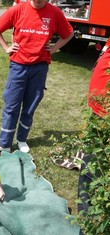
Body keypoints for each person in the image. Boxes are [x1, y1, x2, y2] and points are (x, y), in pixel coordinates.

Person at [0, 0, 74, 154]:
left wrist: (54, 48)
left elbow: (69, 33)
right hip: (18, 66)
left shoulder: (55, 12)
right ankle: (4, 143)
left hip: (40, 67)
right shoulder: (18, 9)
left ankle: (22, 139)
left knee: (30, 106)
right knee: (11, 105)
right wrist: (6, 47)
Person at [78, 37, 110, 235]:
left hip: (105, 120)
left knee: (98, 173)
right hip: (97, 115)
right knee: (89, 169)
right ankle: (86, 222)